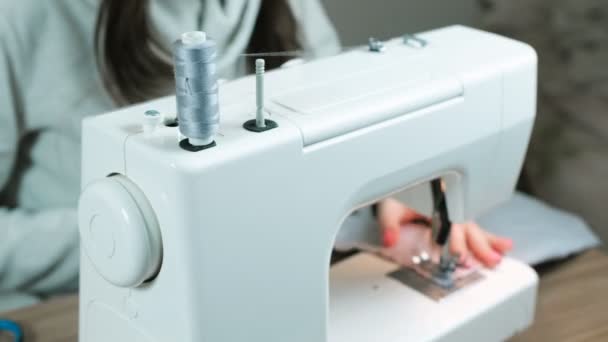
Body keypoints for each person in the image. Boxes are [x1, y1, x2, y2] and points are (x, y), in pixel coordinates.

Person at [0, 0, 511, 311]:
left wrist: (387, 198)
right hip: (72, 304)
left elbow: (341, 129)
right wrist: (152, 238)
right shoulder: (23, 15)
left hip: (263, 279)